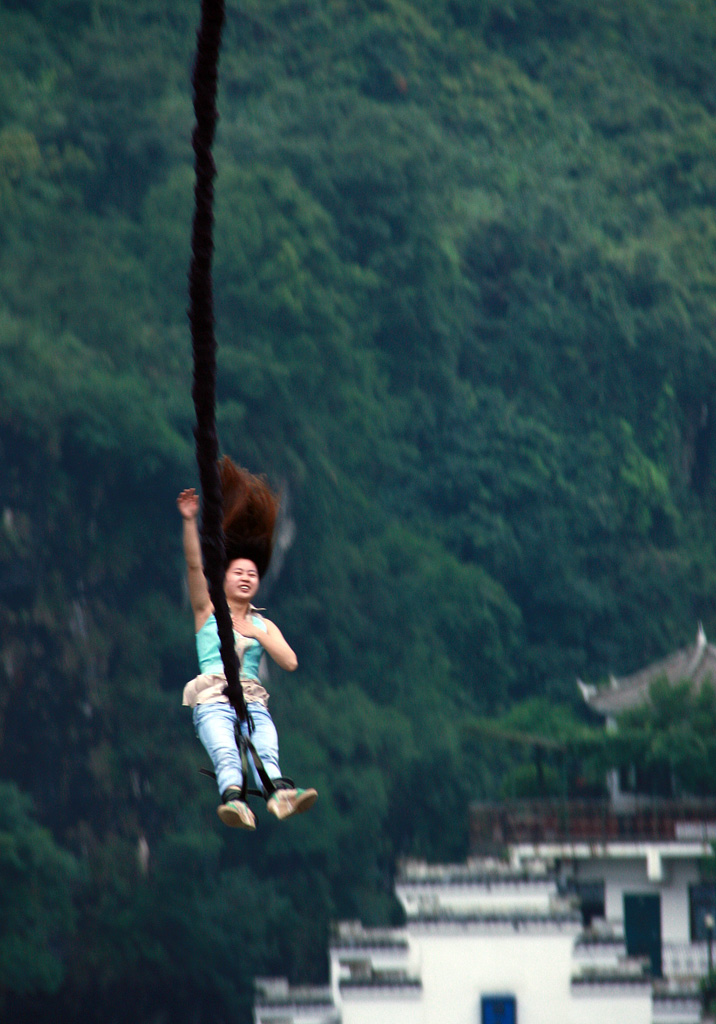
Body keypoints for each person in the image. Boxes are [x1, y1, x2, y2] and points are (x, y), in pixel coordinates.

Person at [177, 457, 317, 830]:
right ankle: (234, 800)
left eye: (251, 574)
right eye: (237, 571)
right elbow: (194, 567)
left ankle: (278, 794)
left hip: (251, 699)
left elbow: (290, 662)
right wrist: (191, 522)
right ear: (223, 577)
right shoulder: (207, 611)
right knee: (225, 752)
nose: (244, 577)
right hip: (212, 698)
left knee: (266, 743)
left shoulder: (262, 623)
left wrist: (258, 634)